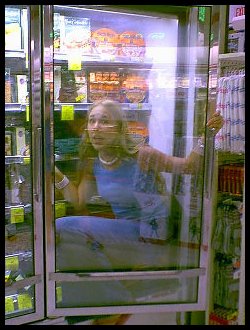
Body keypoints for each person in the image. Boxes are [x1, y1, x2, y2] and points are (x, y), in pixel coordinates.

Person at [54, 99, 224, 322]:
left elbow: (187, 167)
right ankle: (97, 303)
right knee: (65, 241)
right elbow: (77, 201)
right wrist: (53, 172)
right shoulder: (92, 162)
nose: (96, 127)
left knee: (63, 226)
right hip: (126, 232)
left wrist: (208, 134)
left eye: (104, 121)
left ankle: (113, 300)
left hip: (153, 233)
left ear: (119, 128)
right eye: (92, 121)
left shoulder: (142, 154)